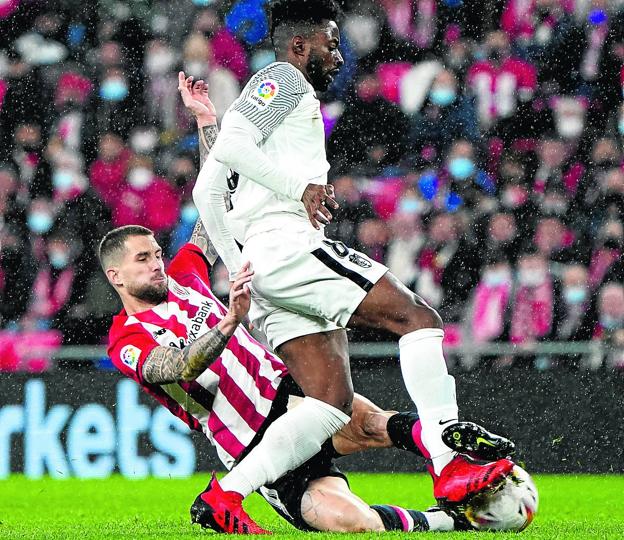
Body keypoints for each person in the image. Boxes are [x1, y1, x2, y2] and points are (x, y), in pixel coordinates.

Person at [102, 74, 514, 535]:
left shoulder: (186, 275)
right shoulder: (126, 339)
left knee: (371, 422)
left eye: (157, 253)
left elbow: (214, 201)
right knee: (352, 522)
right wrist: (229, 323)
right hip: (246, 438)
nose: (157, 264)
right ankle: (451, 513)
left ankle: (451, 455)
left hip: (284, 389)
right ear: (115, 276)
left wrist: (206, 123)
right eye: (144, 260)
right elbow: (174, 367)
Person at [192, 0, 514, 519]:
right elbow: (229, 144)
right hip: (288, 246)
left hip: (264, 267)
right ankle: (450, 462)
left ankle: (226, 494)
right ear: (300, 45)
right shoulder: (282, 79)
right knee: (416, 318)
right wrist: (301, 189)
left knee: (328, 405)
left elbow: (206, 191)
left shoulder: (273, 108)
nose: (340, 53)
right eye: (331, 41)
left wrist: (240, 269)